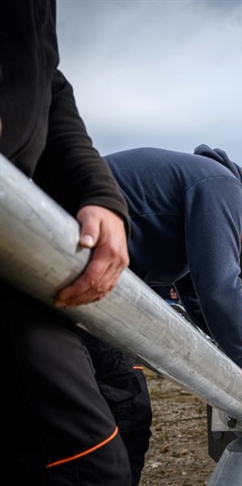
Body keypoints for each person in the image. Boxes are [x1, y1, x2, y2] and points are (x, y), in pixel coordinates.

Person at [96, 146, 242, 481]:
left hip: (94, 275)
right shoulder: (223, 187)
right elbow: (219, 282)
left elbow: (197, 292)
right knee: (125, 408)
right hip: (79, 263)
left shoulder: (210, 183)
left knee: (125, 404)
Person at [1, 1, 133, 483]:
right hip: (26, 236)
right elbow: (216, 282)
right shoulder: (216, 192)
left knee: (100, 456)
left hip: (23, 243)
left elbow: (47, 81)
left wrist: (99, 193)